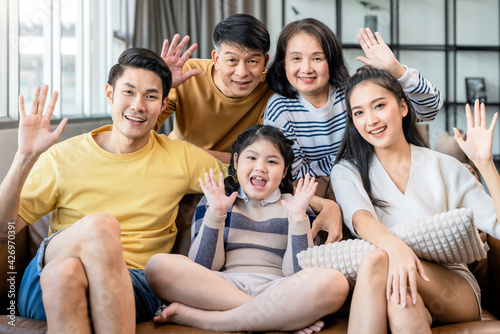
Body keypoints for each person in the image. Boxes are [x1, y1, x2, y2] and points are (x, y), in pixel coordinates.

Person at [0, 47, 227, 333]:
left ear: (163, 104)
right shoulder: (62, 157)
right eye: (128, 92)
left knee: (65, 273)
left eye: (151, 96)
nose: (138, 105)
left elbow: (249, 174)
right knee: (99, 227)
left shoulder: (181, 156)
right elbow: (2, 230)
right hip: (43, 278)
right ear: (110, 94)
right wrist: (24, 156)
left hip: (134, 284)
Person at [330, 66, 500, 333]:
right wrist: (397, 251)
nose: (370, 120)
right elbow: (360, 219)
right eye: (359, 112)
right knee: (401, 304)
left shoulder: (444, 166)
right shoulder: (347, 171)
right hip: (393, 285)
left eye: (379, 106)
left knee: (379, 261)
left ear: (403, 108)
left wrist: (486, 164)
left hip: (452, 289)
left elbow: (498, 225)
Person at [145, 125, 349, 333]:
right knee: (157, 265)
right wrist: (216, 214)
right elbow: (204, 267)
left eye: (272, 161)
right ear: (235, 161)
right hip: (221, 287)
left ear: (285, 170)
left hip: (279, 289)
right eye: (251, 158)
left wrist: (298, 218)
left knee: (336, 283)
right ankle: (274, 317)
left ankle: (212, 320)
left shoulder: (298, 205)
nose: (261, 167)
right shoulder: (216, 199)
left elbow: (295, 273)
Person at [264, 19, 443, 180]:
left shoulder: (353, 93)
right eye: (296, 58)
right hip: (319, 197)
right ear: (283, 64)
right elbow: (289, 174)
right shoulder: (279, 109)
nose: (306, 68)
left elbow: (430, 108)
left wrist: (395, 69)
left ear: (331, 61)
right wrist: (353, 157)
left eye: (317, 58)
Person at [156, 13, 274, 164]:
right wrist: (158, 85)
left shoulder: (271, 90)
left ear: (264, 62)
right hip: (179, 166)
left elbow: (260, 159)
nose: (242, 72)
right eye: (232, 60)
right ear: (216, 59)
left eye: (252, 61)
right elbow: (142, 128)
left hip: (231, 177)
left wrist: (195, 153)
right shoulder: (186, 74)